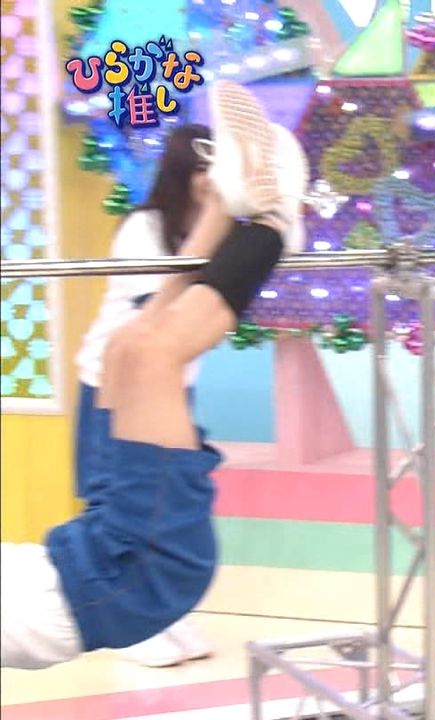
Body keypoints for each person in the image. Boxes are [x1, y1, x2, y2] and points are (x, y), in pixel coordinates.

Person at [0, 80, 307, 670]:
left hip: (91, 558)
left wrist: (220, 212)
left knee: (133, 348)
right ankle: (275, 219)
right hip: (133, 572)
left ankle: (253, 207)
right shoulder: (143, 226)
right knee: (149, 354)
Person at [73, 123, 217, 667]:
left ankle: (162, 613)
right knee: (116, 500)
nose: (209, 180)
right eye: (200, 169)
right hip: (111, 386)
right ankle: (127, 627)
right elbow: (158, 313)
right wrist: (214, 228)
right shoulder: (144, 227)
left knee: (167, 502)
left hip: (173, 390)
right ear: (181, 173)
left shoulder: (209, 229)